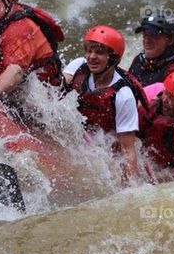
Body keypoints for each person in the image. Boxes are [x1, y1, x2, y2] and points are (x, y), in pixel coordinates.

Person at [63, 26, 147, 185]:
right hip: (79, 133)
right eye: (89, 51)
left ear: (113, 58)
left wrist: (129, 192)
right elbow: (54, 92)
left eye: (99, 52)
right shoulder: (78, 66)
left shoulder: (123, 95)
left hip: (105, 148)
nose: (91, 57)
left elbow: (128, 150)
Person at [128, 14, 174, 89]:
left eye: (153, 36)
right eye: (145, 35)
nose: (146, 41)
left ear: (170, 40)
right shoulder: (139, 60)